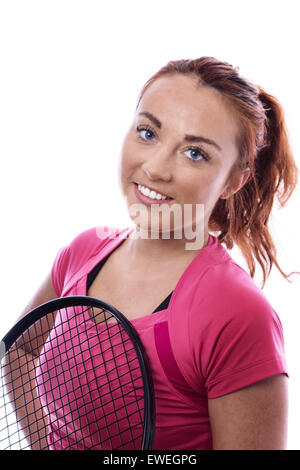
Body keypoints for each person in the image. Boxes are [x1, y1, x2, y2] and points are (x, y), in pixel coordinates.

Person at [17, 56, 299, 450]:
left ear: (235, 179)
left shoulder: (237, 313)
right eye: (148, 133)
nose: (155, 168)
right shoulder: (83, 252)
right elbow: (22, 350)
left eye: (195, 153)